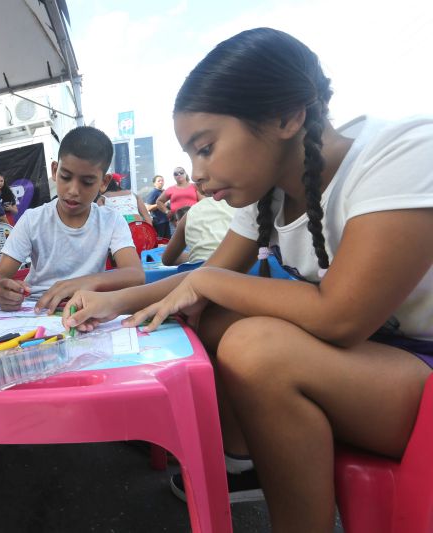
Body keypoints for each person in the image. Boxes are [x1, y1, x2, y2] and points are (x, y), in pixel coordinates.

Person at [62, 27, 433, 532]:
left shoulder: (403, 151)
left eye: (206, 147)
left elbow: (341, 318)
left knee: (256, 346)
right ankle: (244, 463)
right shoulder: (269, 190)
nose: (194, 172)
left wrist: (209, 283)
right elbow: (205, 276)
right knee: (214, 316)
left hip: (415, 375)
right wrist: (111, 299)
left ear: (286, 116)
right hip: (379, 366)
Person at [0, 126, 145, 313]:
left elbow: (135, 275)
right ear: (55, 170)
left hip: (87, 309)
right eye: (66, 177)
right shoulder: (32, 220)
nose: (73, 190)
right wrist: (1, 291)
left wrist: (83, 283)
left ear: (104, 182)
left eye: (87, 182)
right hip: (36, 309)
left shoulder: (111, 221)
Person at [161, 194, 236, 266]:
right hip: (238, 271)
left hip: (202, 271)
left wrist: (190, 257)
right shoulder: (242, 207)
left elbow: (166, 260)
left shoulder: (191, 213)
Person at [145, 174, 171, 238]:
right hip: (158, 222)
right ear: (154, 183)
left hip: (166, 220)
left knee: (167, 241)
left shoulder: (163, 192)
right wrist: (160, 204)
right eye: (159, 181)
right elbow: (148, 208)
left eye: (162, 180)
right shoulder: (153, 193)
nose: (161, 182)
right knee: (160, 242)